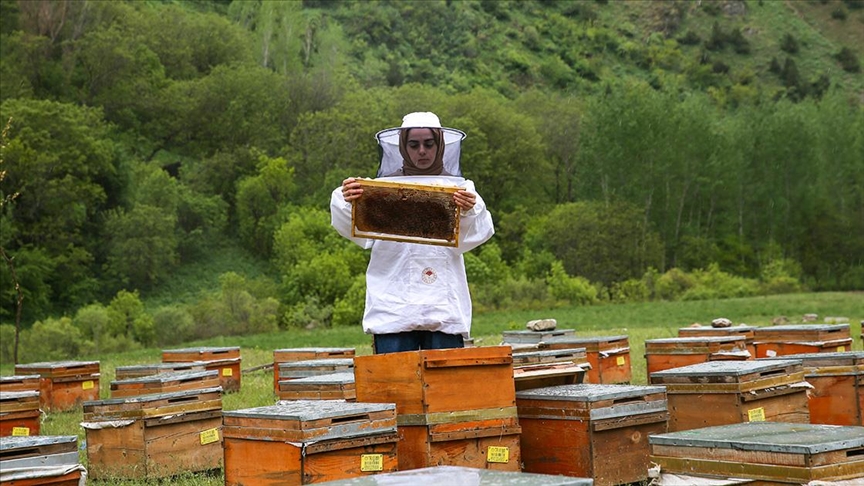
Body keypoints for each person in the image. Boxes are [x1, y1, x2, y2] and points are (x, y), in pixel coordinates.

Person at [330, 112, 495, 354]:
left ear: (439, 146)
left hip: (443, 304)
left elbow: (478, 232)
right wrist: (349, 199)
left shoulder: (461, 188)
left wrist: (469, 211)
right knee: (395, 386)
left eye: (429, 144)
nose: (422, 151)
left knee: (444, 386)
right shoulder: (381, 189)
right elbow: (356, 230)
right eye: (414, 144)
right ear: (402, 147)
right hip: (393, 304)